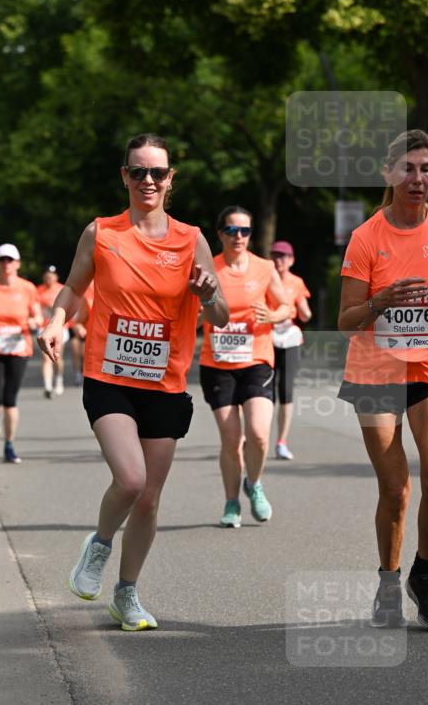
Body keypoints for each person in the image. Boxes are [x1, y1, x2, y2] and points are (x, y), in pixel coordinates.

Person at [38, 133, 228, 631]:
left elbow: (223, 315)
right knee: (131, 478)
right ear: (124, 176)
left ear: (171, 179)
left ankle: (127, 594)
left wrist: (209, 293)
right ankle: (99, 545)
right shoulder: (101, 233)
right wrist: (57, 322)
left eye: (157, 173)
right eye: (138, 171)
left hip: (165, 383)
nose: (148, 180)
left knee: (149, 498)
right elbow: (74, 289)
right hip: (110, 376)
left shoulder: (192, 240)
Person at [337, 129, 428, 630]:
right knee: (396, 489)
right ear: (389, 174)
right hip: (376, 372)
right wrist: (379, 302)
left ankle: (424, 574)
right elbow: (345, 319)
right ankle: (388, 581)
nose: (418, 178)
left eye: (426, 169)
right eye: (408, 169)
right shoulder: (367, 236)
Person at [199, 207, 290, 528]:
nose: (239, 236)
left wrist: (272, 315)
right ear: (220, 233)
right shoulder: (207, 268)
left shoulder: (265, 268)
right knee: (231, 438)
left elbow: (286, 306)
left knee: (259, 435)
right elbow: (190, 309)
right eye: (232, 230)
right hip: (217, 364)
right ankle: (231, 502)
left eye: (245, 231)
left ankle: (254, 483)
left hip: (256, 360)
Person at [0, 243, 41, 464]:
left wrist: (34, 322)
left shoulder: (28, 288)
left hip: (19, 348)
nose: (6, 264)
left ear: (18, 264)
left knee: (9, 400)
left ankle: (9, 446)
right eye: (2, 260)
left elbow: (37, 316)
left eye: (10, 260)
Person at [269, 240, 312, 459]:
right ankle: (256, 436)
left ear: (291, 260)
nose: (279, 260)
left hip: (290, 340)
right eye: (275, 256)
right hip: (267, 338)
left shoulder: (296, 282)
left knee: (286, 390)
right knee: (265, 391)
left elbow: (305, 313)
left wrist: (302, 311)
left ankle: (281, 441)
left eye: (283, 256)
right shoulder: (265, 279)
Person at [37, 265, 67, 397]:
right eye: (47, 275)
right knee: (45, 357)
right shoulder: (39, 291)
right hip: (44, 327)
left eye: (52, 275)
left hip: (60, 328)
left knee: (57, 357)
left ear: (56, 277)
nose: (49, 278)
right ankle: (48, 386)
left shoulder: (63, 289)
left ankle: (59, 380)